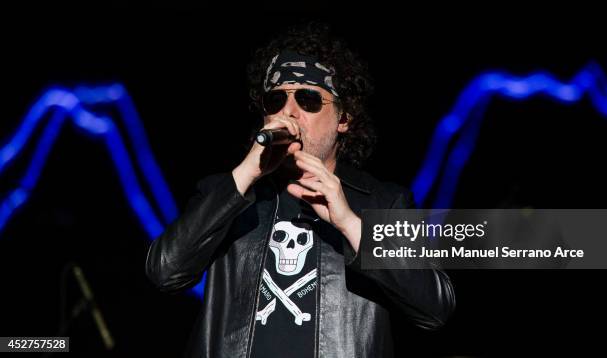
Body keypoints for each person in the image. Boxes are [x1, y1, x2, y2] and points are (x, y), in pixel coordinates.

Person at [146, 23, 455, 358]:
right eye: (276, 99)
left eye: (308, 99)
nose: (288, 112)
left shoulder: (384, 203)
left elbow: (434, 308)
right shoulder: (227, 193)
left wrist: (350, 224)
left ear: (344, 117)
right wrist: (249, 170)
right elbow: (165, 272)